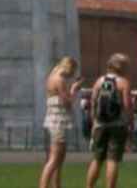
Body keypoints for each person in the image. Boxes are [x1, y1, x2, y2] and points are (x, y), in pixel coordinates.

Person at [86, 54, 131, 188]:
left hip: (100, 124)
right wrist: (129, 120)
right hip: (117, 125)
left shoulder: (99, 81)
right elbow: (127, 105)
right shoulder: (123, 82)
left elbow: (93, 102)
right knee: (112, 160)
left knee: (97, 159)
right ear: (121, 67)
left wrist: (94, 121)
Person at [40, 57, 81, 188]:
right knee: (54, 159)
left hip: (56, 120)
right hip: (57, 122)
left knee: (59, 158)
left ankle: (56, 185)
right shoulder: (59, 80)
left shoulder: (53, 75)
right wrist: (74, 89)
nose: (72, 75)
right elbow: (67, 103)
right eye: (73, 71)